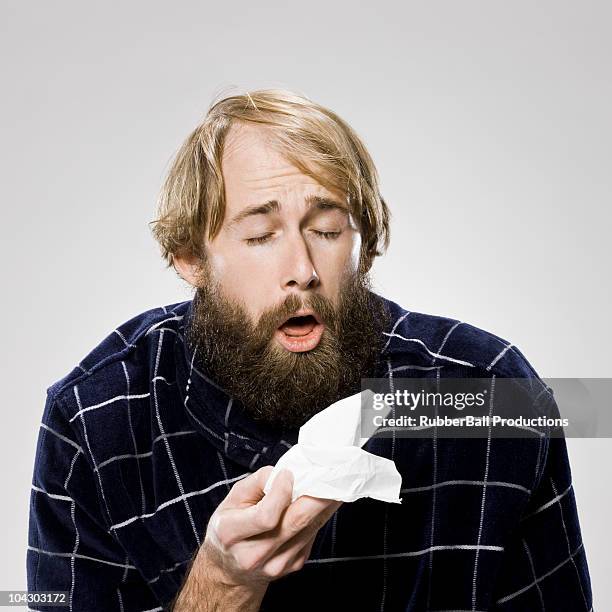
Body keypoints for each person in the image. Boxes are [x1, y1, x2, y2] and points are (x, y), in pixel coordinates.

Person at [27, 89, 593, 611]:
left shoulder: (490, 392)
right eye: (259, 236)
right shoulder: (95, 420)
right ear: (189, 258)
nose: (301, 272)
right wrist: (223, 585)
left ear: (363, 245)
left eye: (326, 230)